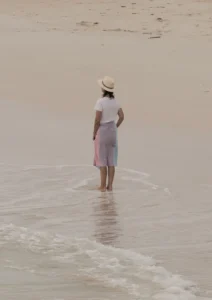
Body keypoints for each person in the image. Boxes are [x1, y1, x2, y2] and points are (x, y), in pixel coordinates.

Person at [93, 76, 124, 192]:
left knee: (102, 160)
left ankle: (102, 186)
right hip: (112, 131)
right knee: (111, 160)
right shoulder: (116, 102)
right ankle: (110, 186)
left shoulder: (100, 102)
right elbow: (122, 116)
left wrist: (94, 133)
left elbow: (97, 120)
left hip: (102, 131)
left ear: (103, 89)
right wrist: (115, 127)